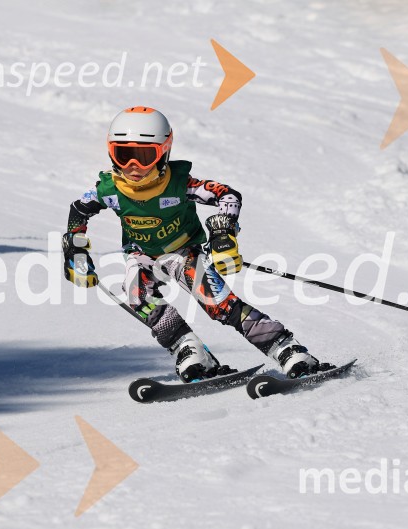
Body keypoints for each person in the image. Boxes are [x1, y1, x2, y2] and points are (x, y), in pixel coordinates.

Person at [62, 106, 331, 382]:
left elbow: (227, 195)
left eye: (144, 157)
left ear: (164, 152)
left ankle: (284, 347)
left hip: (183, 252)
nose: (133, 168)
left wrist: (222, 231)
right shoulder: (109, 190)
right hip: (141, 255)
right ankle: (188, 349)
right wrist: (75, 248)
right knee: (137, 295)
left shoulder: (178, 184)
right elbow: (79, 211)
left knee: (219, 304)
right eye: (124, 155)